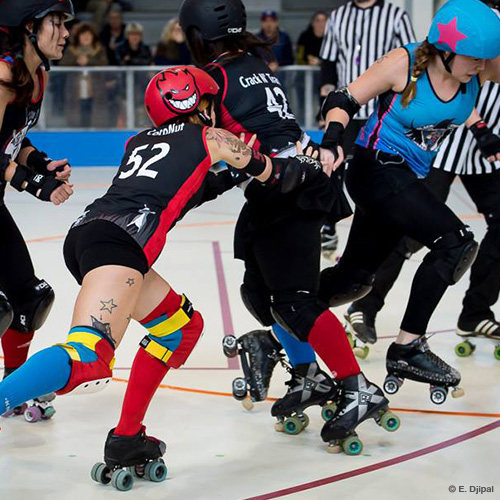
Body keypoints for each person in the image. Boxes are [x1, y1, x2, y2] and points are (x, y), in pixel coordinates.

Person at [0, 66, 325, 490]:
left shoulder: (139, 141)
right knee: (89, 357)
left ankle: (127, 437)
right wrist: (309, 164)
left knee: (181, 327)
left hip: (98, 233)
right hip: (118, 246)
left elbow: (192, 187)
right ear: (201, 105)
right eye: (212, 103)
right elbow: (276, 174)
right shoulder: (212, 137)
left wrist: (233, 172)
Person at [181, 0, 400, 453]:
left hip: (288, 185)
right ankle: (307, 375)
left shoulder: (212, 78)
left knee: (296, 302)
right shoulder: (254, 63)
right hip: (289, 178)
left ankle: (356, 387)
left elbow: (214, 147)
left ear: (197, 35)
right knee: (261, 295)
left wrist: (184, 192)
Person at [320, 0, 500, 404]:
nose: (480, 66)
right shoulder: (404, 64)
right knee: (455, 243)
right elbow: (344, 98)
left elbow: (467, 89)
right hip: (375, 168)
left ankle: (282, 322)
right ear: (445, 49)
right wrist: (331, 140)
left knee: (355, 279)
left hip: (403, 177)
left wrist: (483, 131)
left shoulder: (473, 73)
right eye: (473, 58)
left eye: (484, 59)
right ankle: (407, 347)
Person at [0, 0, 74, 421]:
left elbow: (13, 140)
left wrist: (40, 164)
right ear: (30, 27)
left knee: (29, 299)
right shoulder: (5, 72)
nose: (64, 33)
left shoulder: (36, 76)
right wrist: (31, 184)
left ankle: (13, 389)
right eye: (57, 23)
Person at [319, 0, 415, 258]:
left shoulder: (395, 16)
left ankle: (388, 227)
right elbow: (328, 62)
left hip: (382, 111)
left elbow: (412, 58)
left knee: (380, 170)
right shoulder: (338, 15)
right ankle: (328, 225)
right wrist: (326, 106)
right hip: (346, 109)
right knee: (332, 165)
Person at [60, 22, 108, 127]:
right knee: (77, 119)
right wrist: (77, 61)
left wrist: (89, 60)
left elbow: (105, 63)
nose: (86, 37)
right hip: (75, 91)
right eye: (83, 34)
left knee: (95, 119)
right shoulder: (71, 50)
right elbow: (62, 64)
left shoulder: (99, 50)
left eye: (88, 34)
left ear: (93, 36)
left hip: (96, 91)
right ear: (78, 37)